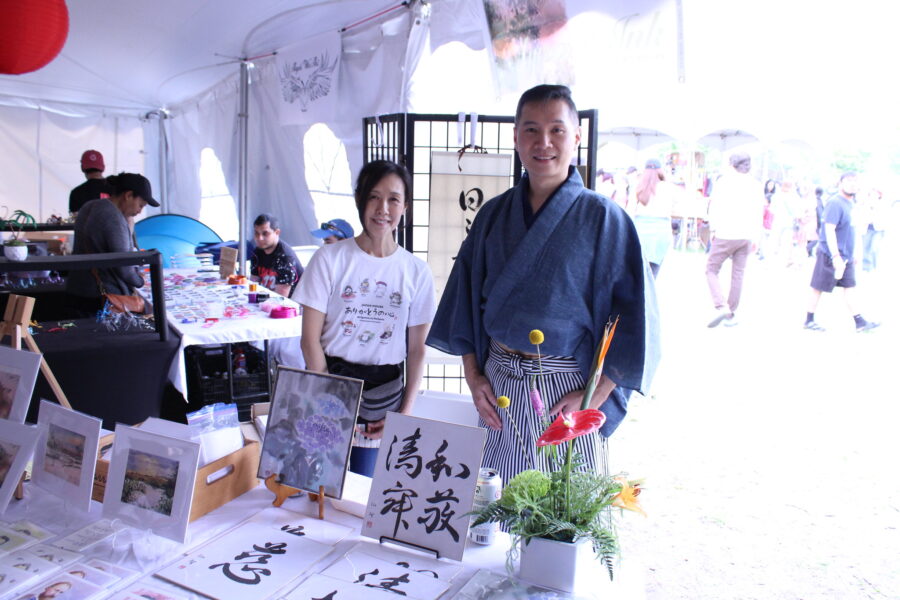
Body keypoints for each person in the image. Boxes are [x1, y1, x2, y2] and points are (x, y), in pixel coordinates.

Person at [426, 84, 659, 485]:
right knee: (493, 509)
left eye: (557, 130)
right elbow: (462, 301)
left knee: (560, 513)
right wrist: (474, 376)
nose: (544, 142)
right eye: (531, 130)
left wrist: (595, 396)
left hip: (565, 388)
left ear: (577, 137)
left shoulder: (605, 219)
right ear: (515, 137)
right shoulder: (493, 216)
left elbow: (634, 319)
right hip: (498, 383)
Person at [296, 160, 436, 477]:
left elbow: (417, 350)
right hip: (328, 386)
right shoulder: (329, 259)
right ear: (361, 200)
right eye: (373, 197)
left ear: (405, 207)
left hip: (383, 399)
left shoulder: (416, 272)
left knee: (364, 489)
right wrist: (328, 402)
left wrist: (405, 412)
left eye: (393, 199)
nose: (382, 208)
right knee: (316, 484)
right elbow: (309, 339)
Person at [65, 172, 159, 315]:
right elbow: (124, 266)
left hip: (78, 286)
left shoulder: (90, 205)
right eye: (140, 205)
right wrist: (140, 281)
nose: (139, 211)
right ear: (128, 195)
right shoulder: (114, 218)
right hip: (101, 295)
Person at [804, 172, 879, 333]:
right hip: (830, 255)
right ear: (840, 184)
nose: (852, 184)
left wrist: (854, 254)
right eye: (848, 181)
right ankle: (809, 320)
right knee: (817, 287)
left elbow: (852, 230)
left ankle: (860, 322)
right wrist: (835, 255)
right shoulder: (835, 203)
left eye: (855, 181)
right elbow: (829, 230)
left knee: (850, 286)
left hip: (847, 255)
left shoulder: (851, 204)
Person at [705, 153, 763, 328]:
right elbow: (758, 211)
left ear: (732, 165)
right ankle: (731, 313)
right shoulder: (756, 185)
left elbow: (714, 207)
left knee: (711, 269)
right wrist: (756, 236)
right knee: (738, 274)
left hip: (725, 232)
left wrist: (713, 229)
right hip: (746, 235)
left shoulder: (723, 182)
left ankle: (722, 306)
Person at [633, 158, 676, 277]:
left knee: (639, 272)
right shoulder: (668, 187)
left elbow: (630, 210)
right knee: (653, 273)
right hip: (661, 232)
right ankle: (649, 294)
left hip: (640, 230)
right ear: (660, 170)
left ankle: (641, 294)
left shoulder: (638, 186)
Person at [250, 214, 303, 298]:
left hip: (288, 306)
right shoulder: (257, 252)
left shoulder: (285, 257)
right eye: (256, 233)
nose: (259, 238)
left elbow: (280, 298)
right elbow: (253, 284)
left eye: (265, 233)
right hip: (265, 300)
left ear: (277, 232)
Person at [68, 149, 112, 216]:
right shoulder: (116, 189)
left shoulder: (76, 193)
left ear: (82, 168)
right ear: (103, 167)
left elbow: (75, 220)